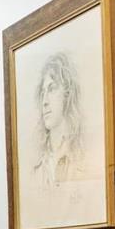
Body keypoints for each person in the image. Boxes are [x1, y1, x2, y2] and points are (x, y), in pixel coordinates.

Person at [31, 51, 85, 187]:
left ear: (67, 94)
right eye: (43, 92)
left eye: (52, 89)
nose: (44, 101)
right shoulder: (38, 168)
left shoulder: (81, 159)